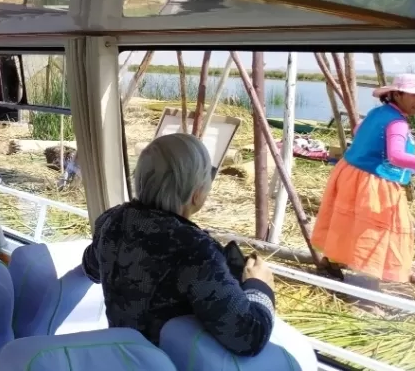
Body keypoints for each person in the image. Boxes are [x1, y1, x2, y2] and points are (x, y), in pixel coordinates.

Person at [82, 133, 276, 357]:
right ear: (196, 194)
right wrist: (259, 285)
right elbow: (249, 336)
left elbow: (92, 269)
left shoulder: (111, 221)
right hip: (169, 363)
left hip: (118, 358)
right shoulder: (195, 251)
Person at [313, 74, 415, 285]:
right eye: (414, 95)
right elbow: (396, 157)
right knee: (374, 230)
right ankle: (367, 284)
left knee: (347, 222)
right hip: (373, 181)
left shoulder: (378, 112)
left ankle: (331, 264)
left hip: (350, 172)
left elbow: (358, 130)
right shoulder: (397, 122)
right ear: (396, 94)